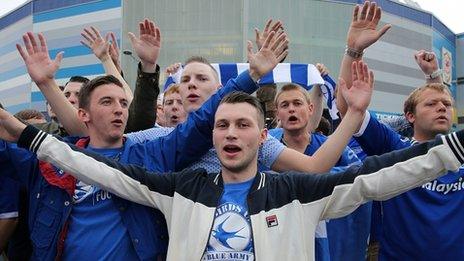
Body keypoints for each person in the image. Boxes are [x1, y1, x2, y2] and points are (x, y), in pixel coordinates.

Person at [3, 88, 464, 260]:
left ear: (262, 136)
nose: (230, 132)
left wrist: (451, 152)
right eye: (222, 124)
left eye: (243, 124)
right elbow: (96, 168)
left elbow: (376, 174)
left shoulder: (294, 191)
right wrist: (25, 135)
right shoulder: (182, 189)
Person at [336, 2, 461, 259]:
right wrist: (354, 51)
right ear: (409, 116)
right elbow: (350, 108)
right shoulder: (396, 149)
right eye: (431, 104)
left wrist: (434, 77)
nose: (442, 108)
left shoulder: (460, 153)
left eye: (447, 105)